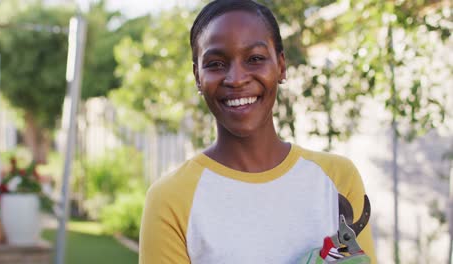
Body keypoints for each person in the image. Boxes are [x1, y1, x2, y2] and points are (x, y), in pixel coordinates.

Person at [139, 0, 376, 263]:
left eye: (255, 59)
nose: (236, 79)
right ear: (197, 77)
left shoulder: (337, 178)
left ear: (281, 67)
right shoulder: (170, 199)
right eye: (216, 63)